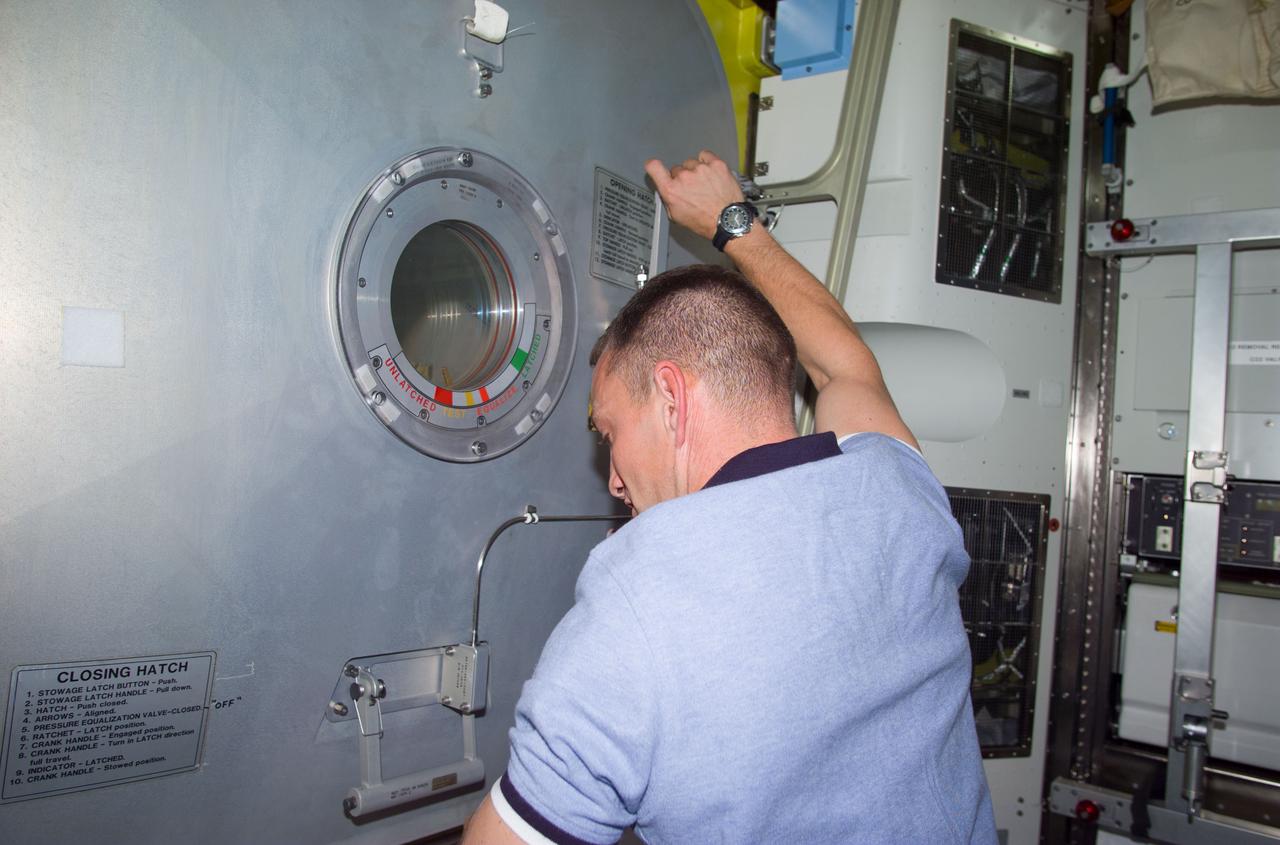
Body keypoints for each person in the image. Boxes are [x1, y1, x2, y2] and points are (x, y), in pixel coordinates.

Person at [462, 151, 997, 844]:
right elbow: (842, 362)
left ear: (673, 399)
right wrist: (730, 221)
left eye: (610, 432)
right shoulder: (900, 491)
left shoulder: (634, 617)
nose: (613, 477)